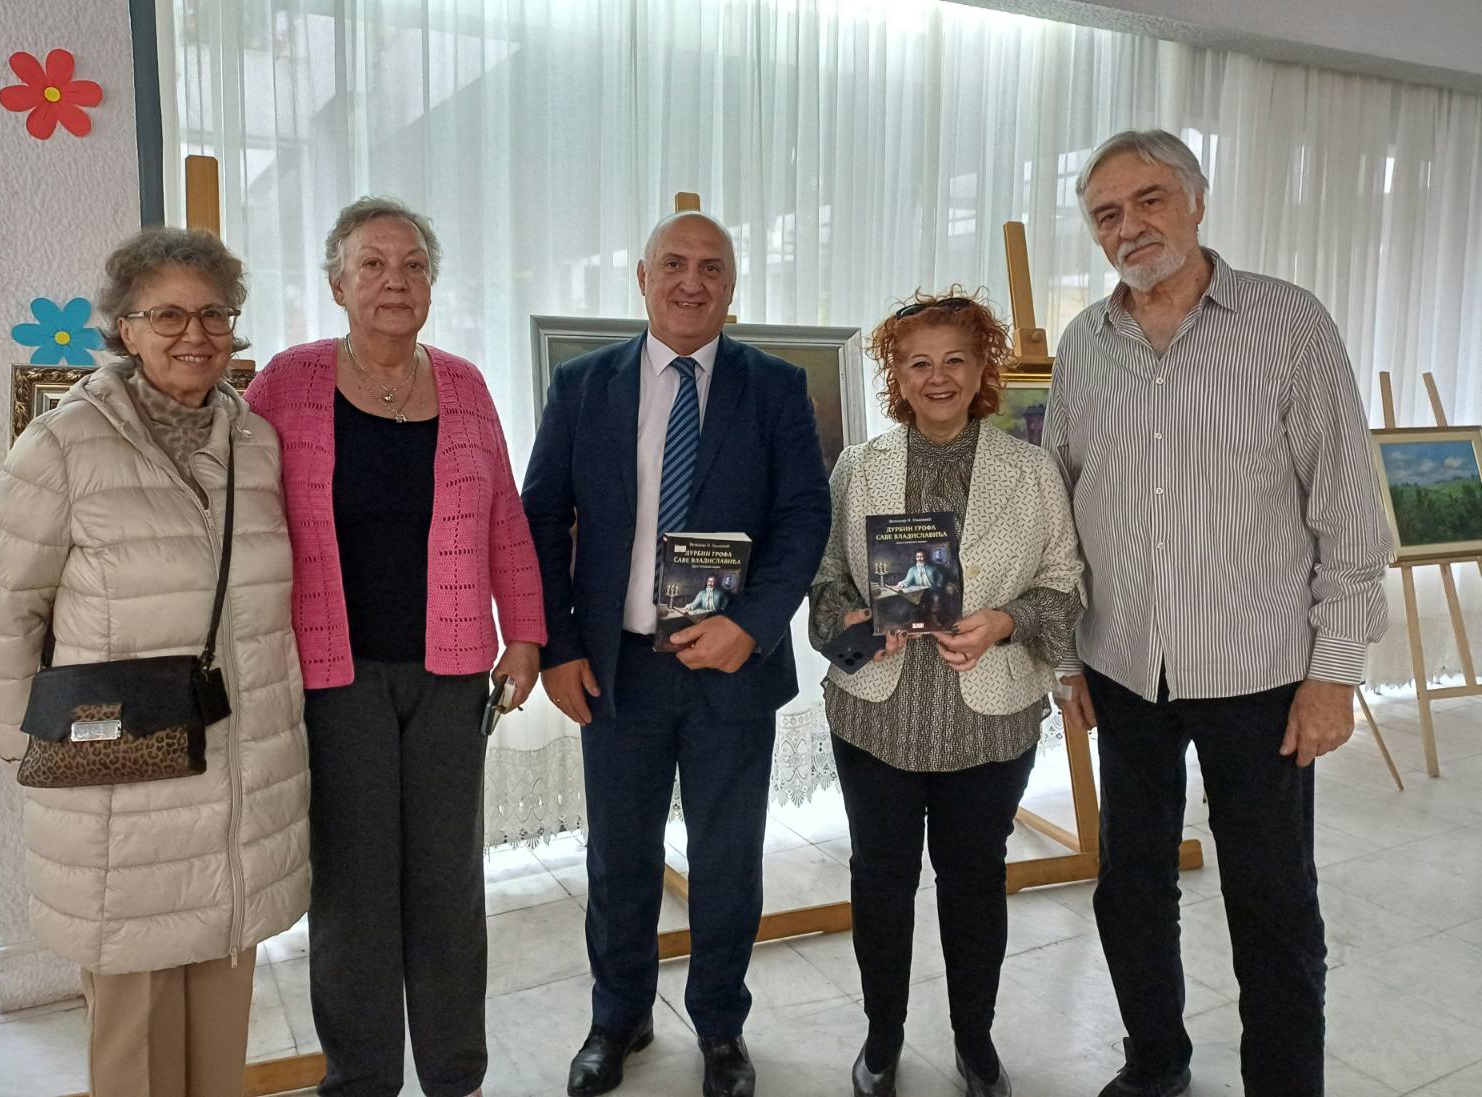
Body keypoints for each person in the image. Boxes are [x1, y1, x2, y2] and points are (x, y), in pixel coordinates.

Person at [1047, 130, 1391, 1097]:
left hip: (1262, 673)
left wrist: (1335, 673)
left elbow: (1349, 512)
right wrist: (1067, 656)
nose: (1129, 226)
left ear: (1197, 201)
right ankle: (1156, 1062)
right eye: (1107, 214)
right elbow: (1061, 512)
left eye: (1149, 200)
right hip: (1124, 668)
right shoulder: (1083, 345)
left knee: (1272, 902)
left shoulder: (1289, 323)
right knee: (1130, 888)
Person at [0, 227, 309, 1097]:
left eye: (214, 314)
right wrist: (27, 746)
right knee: (137, 1047)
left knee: (219, 1037)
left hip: (236, 782)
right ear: (124, 328)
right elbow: (2, 611)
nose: (196, 334)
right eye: (168, 315)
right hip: (121, 793)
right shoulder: (61, 447)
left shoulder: (256, 443)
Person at [521, 211, 831, 1097]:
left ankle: (721, 1025)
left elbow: (804, 516)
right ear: (643, 276)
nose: (691, 282)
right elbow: (541, 516)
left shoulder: (776, 387)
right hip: (617, 669)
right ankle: (618, 1016)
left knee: (728, 859)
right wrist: (558, 647)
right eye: (674, 264)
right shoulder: (584, 385)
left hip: (732, 666)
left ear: (732, 284)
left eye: (711, 267)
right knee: (619, 858)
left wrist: (754, 624)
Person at [243, 196, 546, 1097]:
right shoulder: (288, 382)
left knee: (449, 884)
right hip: (333, 678)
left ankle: (455, 1075)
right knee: (353, 889)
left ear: (432, 284)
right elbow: (240, 510)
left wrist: (526, 632)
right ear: (337, 284)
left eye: (412, 265)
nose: (394, 282)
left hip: (451, 675)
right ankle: (360, 1078)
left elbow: (504, 517)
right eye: (371, 265)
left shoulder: (464, 385)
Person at [810, 291, 1084, 1097]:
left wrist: (1004, 620)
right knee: (881, 882)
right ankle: (882, 1039)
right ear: (896, 374)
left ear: (982, 367)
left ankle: (976, 1042)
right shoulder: (858, 466)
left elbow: (1065, 586)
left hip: (989, 724)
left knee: (974, 885)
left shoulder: (1031, 471)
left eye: (955, 359)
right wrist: (857, 621)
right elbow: (825, 583)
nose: (938, 378)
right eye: (919, 362)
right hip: (876, 716)